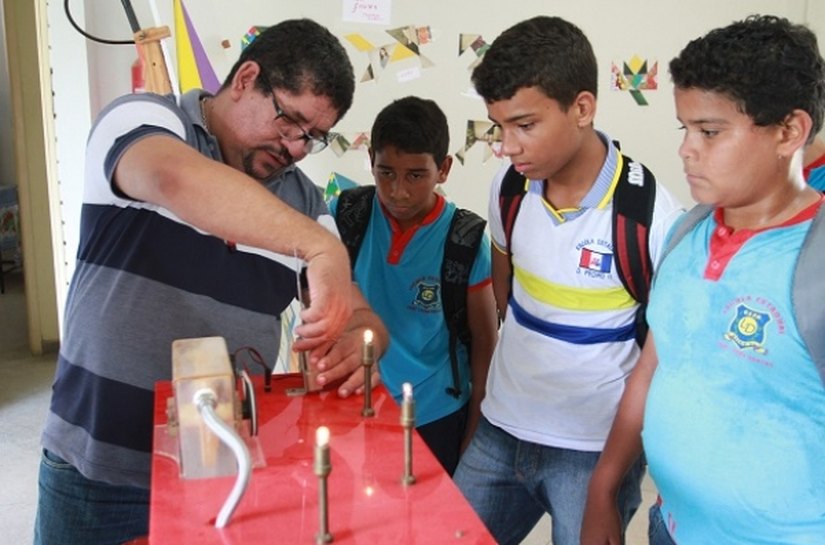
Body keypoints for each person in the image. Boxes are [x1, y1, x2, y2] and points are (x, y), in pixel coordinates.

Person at [34, 19, 388, 545]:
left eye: (312, 138)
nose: (294, 148)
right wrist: (321, 247)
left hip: (223, 467)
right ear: (246, 78)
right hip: (98, 469)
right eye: (289, 122)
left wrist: (359, 344)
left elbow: (357, 315)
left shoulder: (305, 201)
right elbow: (172, 178)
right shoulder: (149, 121)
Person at [581, 15, 825, 545]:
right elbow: (652, 369)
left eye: (710, 132)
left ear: (789, 132)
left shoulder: (815, 263)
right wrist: (603, 487)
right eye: (684, 129)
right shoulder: (685, 234)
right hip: (668, 527)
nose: (686, 150)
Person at [451, 16, 683, 545]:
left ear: (582, 108)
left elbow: (661, 360)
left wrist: (607, 482)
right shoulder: (509, 187)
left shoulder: (649, 217)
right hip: (500, 431)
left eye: (525, 125)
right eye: (498, 126)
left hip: (594, 451)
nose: (507, 146)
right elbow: (506, 287)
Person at [330, 96, 498, 475]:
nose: (398, 191)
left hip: (435, 417)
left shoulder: (465, 241)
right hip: (352, 405)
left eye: (415, 175)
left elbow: (485, 346)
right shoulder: (347, 215)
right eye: (385, 172)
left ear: (443, 169)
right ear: (370, 159)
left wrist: (473, 439)